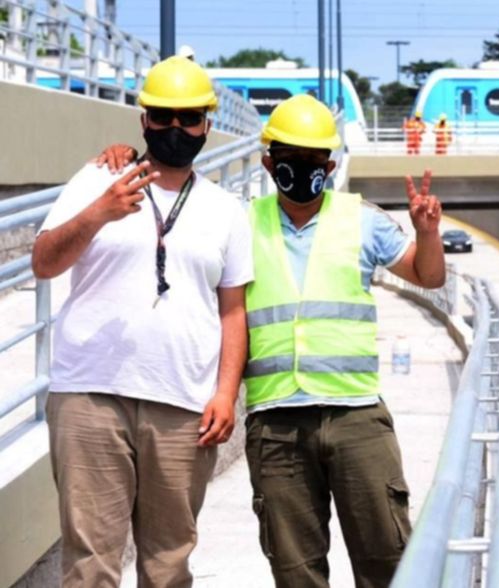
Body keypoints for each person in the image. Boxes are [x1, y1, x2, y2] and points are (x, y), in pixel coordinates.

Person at [101, 94, 446, 587]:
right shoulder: (239, 221)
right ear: (268, 163)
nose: (301, 168)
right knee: (295, 570)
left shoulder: (362, 219)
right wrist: (125, 156)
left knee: (386, 560)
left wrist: (427, 234)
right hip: (276, 423)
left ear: (329, 166)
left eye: (312, 159)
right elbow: (176, 218)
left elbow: (428, 276)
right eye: (288, 157)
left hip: (356, 416)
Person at [32, 55, 253, 587]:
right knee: (89, 565)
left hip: (182, 403)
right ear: (143, 120)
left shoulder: (226, 210)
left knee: (168, 564)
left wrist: (226, 394)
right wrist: (98, 212)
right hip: (90, 395)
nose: (175, 128)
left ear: (207, 124)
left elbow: (233, 311)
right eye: (162, 116)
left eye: (189, 118)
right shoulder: (99, 178)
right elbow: (43, 261)